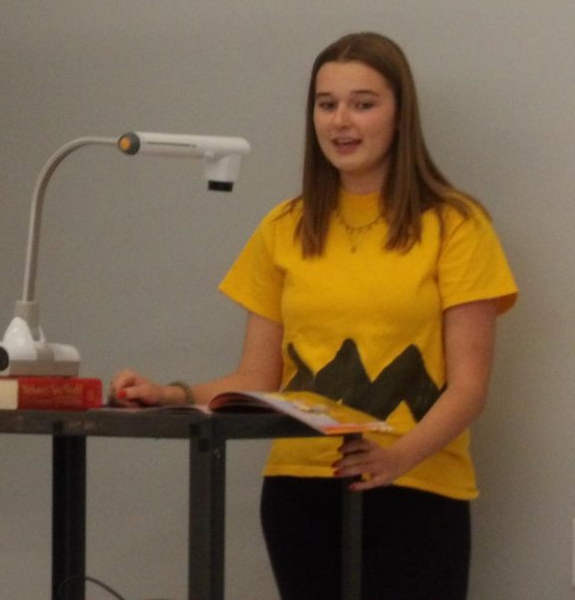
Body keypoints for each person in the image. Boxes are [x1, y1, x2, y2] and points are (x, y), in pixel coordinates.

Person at [110, 32, 517, 600]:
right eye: (326, 104)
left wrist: (394, 457)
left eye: (363, 103)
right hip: (301, 490)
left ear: (401, 116)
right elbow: (257, 379)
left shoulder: (456, 225)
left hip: (417, 486)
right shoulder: (285, 226)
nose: (341, 121)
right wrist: (172, 394)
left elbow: (470, 388)